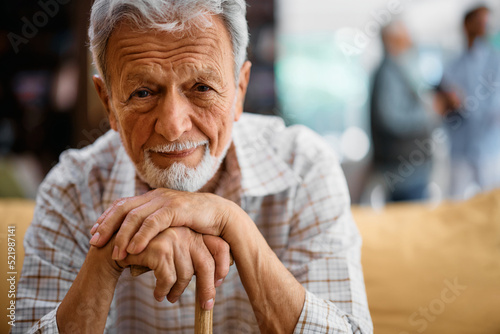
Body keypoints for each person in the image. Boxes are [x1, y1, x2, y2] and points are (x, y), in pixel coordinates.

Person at [14, 1, 372, 333]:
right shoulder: (72, 189)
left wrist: (234, 224)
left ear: (239, 90)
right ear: (108, 103)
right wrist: (109, 254)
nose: (173, 125)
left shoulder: (303, 167)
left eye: (201, 87)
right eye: (143, 92)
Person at [438, 5, 500, 200]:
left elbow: (494, 108)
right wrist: (449, 103)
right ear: (466, 25)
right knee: (455, 207)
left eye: (487, 21)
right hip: (460, 149)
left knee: (492, 209)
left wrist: (468, 105)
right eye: (480, 21)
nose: (485, 26)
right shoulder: (452, 65)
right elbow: (442, 106)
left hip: (489, 149)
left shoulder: (496, 61)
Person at [370, 21, 437, 202]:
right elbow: (391, 118)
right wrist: (428, 112)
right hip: (404, 170)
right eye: (406, 37)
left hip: (408, 167)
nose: (411, 42)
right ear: (394, 40)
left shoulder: (397, 70)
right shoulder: (388, 74)